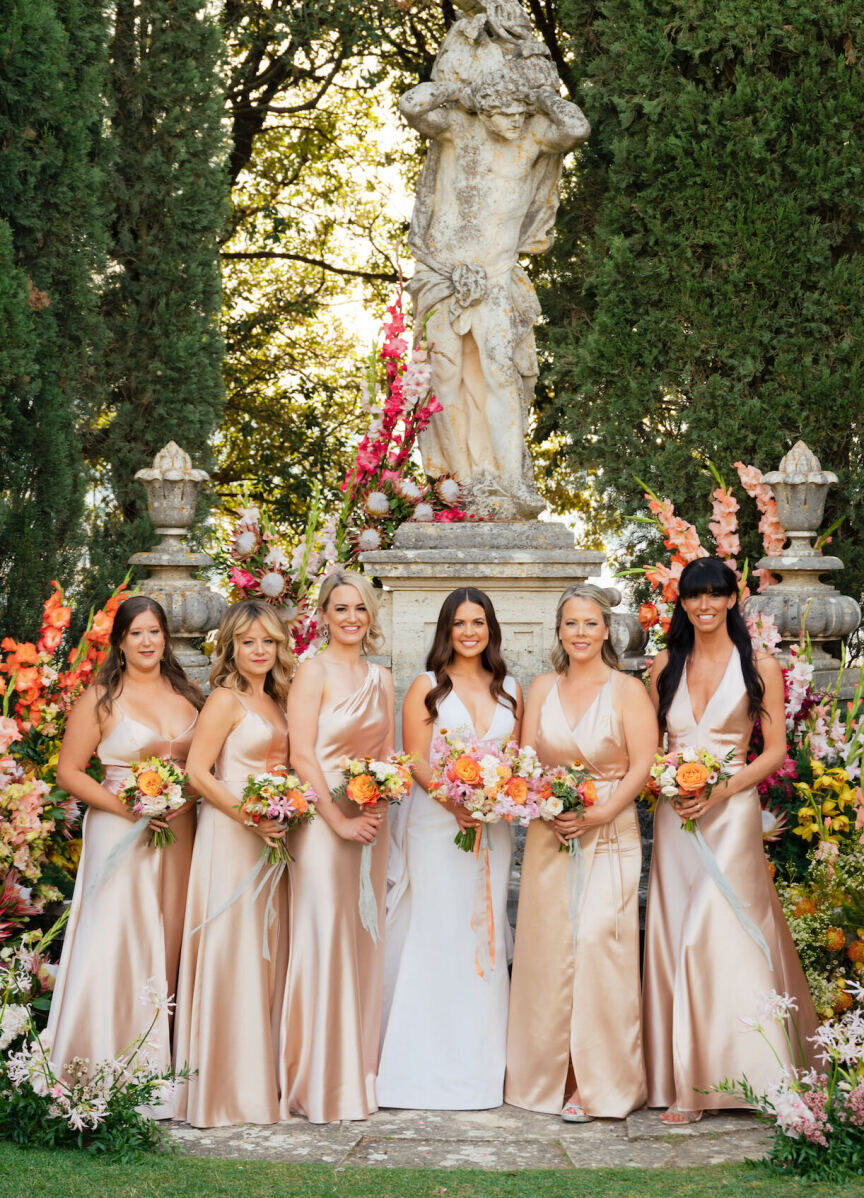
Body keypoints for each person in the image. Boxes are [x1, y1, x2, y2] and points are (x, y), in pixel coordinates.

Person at [642, 557, 818, 1123]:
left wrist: (719, 791)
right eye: (696, 595)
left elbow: (773, 751)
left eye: (717, 594)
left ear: (732, 599)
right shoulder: (665, 664)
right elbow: (648, 748)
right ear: (683, 602)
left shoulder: (759, 663)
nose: (706, 605)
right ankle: (683, 1080)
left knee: (718, 932)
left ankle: (747, 1076)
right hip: (676, 816)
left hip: (733, 811)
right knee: (676, 930)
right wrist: (667, 783)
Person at [400, 66, 589, 518]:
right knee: (442, 380)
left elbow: (577, 127)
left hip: (498, 276)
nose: (512, 122)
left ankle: (508, 480)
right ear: (483, 112)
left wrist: (540, 97)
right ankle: (452, 484)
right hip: (443, 276)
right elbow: (412, 103)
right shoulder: (457, 129)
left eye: (518, 113)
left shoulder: (533, 135)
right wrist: (461, 90)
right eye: (503, 113)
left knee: (502, 374)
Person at [505, 584, 655, 1121]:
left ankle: (596, 1080)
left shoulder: (628, 690)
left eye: (591, 623)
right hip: (552, 835)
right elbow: (524, 760)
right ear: (559, 631)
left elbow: (642, 764)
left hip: (609, 831)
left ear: (607, 630)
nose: (581, 633)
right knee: (548, 953)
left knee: (598, 946)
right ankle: (546, 1073)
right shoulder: (541, 686)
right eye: (571, 624)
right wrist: (547, 805)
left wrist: (598, 813)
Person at [48, 596, 202, 1107]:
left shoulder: (188, 696)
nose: (147, 641)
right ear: (119, 641)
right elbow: (68, 772)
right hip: (119, 832)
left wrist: (187, 798)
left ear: (165, 638)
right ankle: (100, 1058)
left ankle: (163, 1069)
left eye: (154, 631)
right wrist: (127, 807)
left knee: (171, 937)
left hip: (178, 833)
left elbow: (203, 768)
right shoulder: (100, 699)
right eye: (136, 633)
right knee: (116, 940)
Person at [378, 587, 523, 1110]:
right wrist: (454, 802)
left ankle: (478, 1068)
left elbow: (514, 759)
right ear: (446, 629)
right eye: (459, 623)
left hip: (491, 829)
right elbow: (415, 761)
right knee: (437, 933)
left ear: (490, 629)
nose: (469, 632)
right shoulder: (426, 687)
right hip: (437, 827)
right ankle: (417, 1068)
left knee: (484, 935)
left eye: (478, 622)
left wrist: (495, 798)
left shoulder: (510, 688)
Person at [278, 570, 395, 1123]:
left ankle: (355, 1072)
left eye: (361, 609)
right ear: (323, 614)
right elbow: (301, 756)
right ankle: (317, 1081)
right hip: (324, 825)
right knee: (323, 936)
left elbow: (390, 753)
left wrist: (375, 804)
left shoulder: (383, 678)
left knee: (362, 939)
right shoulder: (312, 671)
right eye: (341, 608)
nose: (351, 618)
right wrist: (337, 821)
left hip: (370, 822)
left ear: (371, 617)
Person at [173, 600, 292, 1127]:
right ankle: (220, 1089)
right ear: (231, 647)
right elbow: (199, 773)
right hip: (230, 832)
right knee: (231, 950)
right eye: (248, 642)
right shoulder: (224, 700)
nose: (259, 650)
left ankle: (254, 1079)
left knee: (261, 953)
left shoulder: (278, 701)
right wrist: (250, 817)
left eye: (268, 641)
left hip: (271, 834)